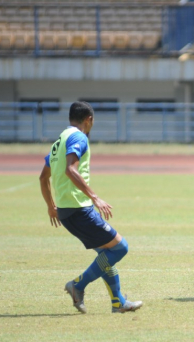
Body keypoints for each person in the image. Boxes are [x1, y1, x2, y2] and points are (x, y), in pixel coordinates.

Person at [39, 101, 143, 314]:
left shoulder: (59, 141)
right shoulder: (79, 137)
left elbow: (43, 177)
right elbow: (70, 169)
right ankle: (77, 285)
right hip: (79, 209)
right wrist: (95, 197)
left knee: (105, 255)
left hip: (67, 212)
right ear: (89, 120)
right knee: (120, 248)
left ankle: (118, 303)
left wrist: (51, 206)